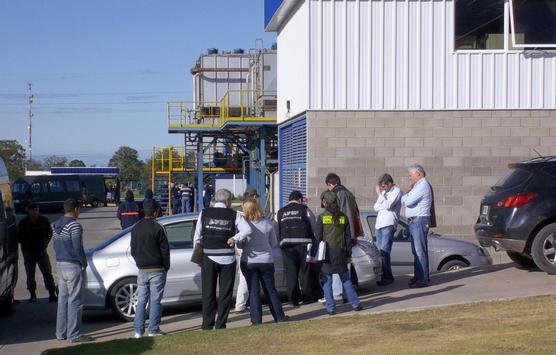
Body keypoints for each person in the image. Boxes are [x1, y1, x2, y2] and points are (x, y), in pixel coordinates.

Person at [193, 188, 251, 330]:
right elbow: (247, 230)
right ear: (227, 201)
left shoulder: (204, 213)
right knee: (225, 294)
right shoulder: (234, 215)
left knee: (208, 293)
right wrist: (234, 238)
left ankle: (207, 324)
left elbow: (197, 236)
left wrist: (198, 254)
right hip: (227, 259)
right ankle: (221, 324)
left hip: (209, 257)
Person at [312, 191, 362, 315]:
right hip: (340, 252)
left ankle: (330, 308)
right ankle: (355, 304)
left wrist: (315, 254)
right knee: (346, 279)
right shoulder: (343, 217)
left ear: (325, 203)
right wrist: (348, 254)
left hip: (327, 254)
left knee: (327, 281)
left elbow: (317, 238)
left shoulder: (321, 217)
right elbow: (347, 238)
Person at [239, 199, 286, 325]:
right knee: (270, 289)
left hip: (249, 260)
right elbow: (274, 243)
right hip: (266, 260)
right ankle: (279, 317)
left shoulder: (244, 225)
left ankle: (256, 320)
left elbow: (240, 244)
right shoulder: (267, 223)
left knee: (254, 291)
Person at [52, 198, 92, 343]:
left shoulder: (55, 224)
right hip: (73, 265)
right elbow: (77, 247)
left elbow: (55, 246)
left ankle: (60, 332)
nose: (79, 211)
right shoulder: (74, 226)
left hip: (60, 264)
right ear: (75, 209)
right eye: (79, 209)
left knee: (62, 299)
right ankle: (74, 334)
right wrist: (83, 262)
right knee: (75, 300)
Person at [130, 201, 170, 338]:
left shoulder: (135, 228)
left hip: (142, 268)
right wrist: (166, 266)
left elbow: (133, 250)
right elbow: (165, 250)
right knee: (155, 300)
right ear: (155, 213)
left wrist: (139, 262)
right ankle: (153, 329)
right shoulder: (159, 227)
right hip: (157, 268)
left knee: (141, 300)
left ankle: (138, 331)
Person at [276, 190, 320, 306]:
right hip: (304, 245)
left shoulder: (280, 212)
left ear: (289, 200)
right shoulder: (305, 209)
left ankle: (293, 299)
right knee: (305, 272)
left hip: (286, 247)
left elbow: (276, 229)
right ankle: (307, 297)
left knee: (291, 273)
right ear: (300, 199)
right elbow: (314, 225)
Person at [324, 173, 363, 302]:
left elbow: (333, 212)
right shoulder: (350, 194)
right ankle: (347, 292)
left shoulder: (335, 194)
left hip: (338, 232)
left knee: (335, 265)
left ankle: (337, 293)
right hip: (350, 231)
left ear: (330, 184)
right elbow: (356, 214)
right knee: (347, 262)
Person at [17, 203, 57, 302]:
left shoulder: (44, 220)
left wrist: (44, 243)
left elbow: (49, 233)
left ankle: (52, 294)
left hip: (41, 251)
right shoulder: (23, 222)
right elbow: (19, 237)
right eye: (33, 210)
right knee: (30, 274)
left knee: (47, 272)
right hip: (29, 252)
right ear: (29, 211)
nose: (35, 212)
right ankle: (33, 295)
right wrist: (26, 246)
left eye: (37, 210)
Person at [401, 164, 433, 288]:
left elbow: (407, 201)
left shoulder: (423, 185)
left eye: (411, 175)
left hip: (419, 220)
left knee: (420, 251)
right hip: (414, 221)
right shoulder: (416, 186)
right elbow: (404, 199)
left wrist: (408, 196)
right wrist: (409, 191)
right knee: (416, 251)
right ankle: (418, 276)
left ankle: (423, 279)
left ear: (418, 174)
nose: (409, 178)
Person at [373, 173, 402, 286]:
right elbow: (375, 207)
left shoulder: (396, 191)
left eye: (384, 186)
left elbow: (388, 205)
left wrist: (381, 196)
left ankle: (388, 277)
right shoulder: (384, 193)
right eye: (381, 186)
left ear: (389, 183)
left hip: (389, 224)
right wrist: (382, 196)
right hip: (379, 225)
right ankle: (384, 275)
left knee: (385, 252)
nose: (382, 188)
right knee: (381, 253)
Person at [233, 188, 260, 313]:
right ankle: (240, 305)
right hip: (245, 249)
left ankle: (246, 302)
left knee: (246, 278)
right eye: (256, 197)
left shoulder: (239, 212)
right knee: (244, 279)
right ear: (253, 197)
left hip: (241, 248)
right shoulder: (244, 214)